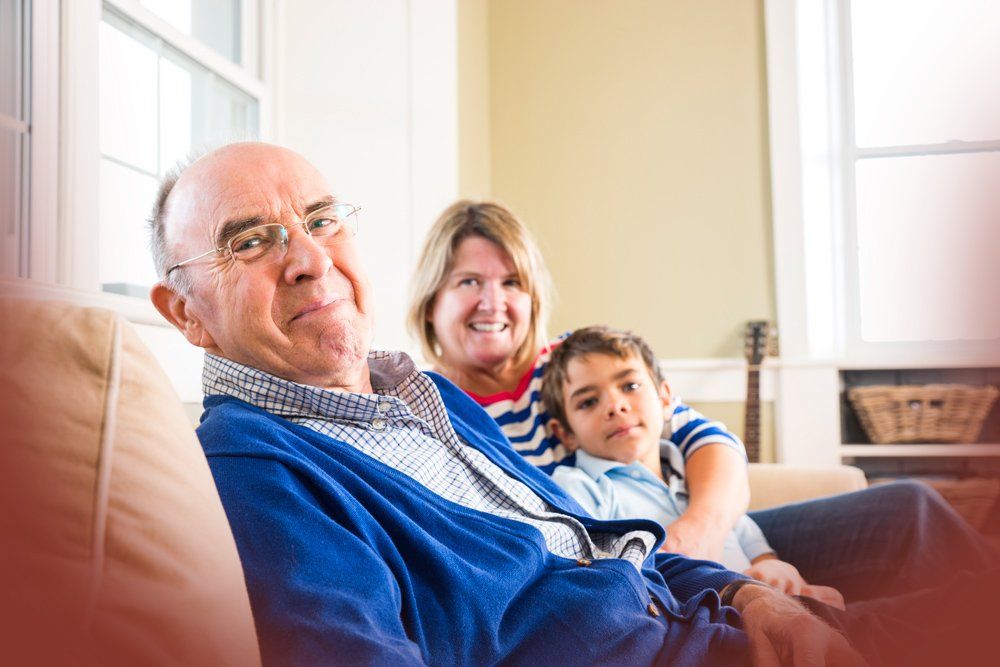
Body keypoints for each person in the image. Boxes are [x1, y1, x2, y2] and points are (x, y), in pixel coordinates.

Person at [148, 141, 872, 665]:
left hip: (714, 615)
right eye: (250, 240)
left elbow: (598, 539)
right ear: (185, 313)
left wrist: (751, 598)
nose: (310, 258)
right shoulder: (256, 467)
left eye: (322, 219)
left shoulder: (428, 396)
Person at [407, 199, 998, 602]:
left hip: (697, 534)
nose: (494, 302)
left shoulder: (575, 365)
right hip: (609, 579)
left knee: (910, 509)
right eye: (469, 282)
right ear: (433, 299)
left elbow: (708, 443)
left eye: (512, 282)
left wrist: (703, 534)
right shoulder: (426, 407)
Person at [543, 325, 845, 608]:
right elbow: (600, 583)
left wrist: (778, 571)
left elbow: (765, 557)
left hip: (774, 612)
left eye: (630, 385)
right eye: (588, 402)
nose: (615, 405)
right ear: (565, 434)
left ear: (664, 398)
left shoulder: (703, 481)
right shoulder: (579, 487)